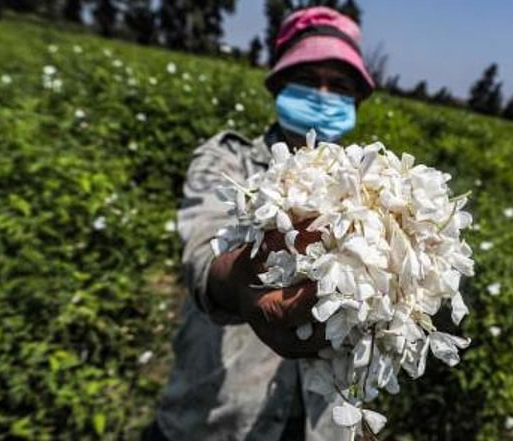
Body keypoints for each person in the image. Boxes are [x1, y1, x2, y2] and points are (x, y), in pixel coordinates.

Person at [143, 6, 376, 441]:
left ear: (356, 101)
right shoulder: (229, 161)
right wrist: (238, 280)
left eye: (339, 86)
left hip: (320, 425)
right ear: (278, 85)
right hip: (219, 418)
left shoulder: (372, 187)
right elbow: (202, 248)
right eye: (307, 80)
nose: (323, 95)